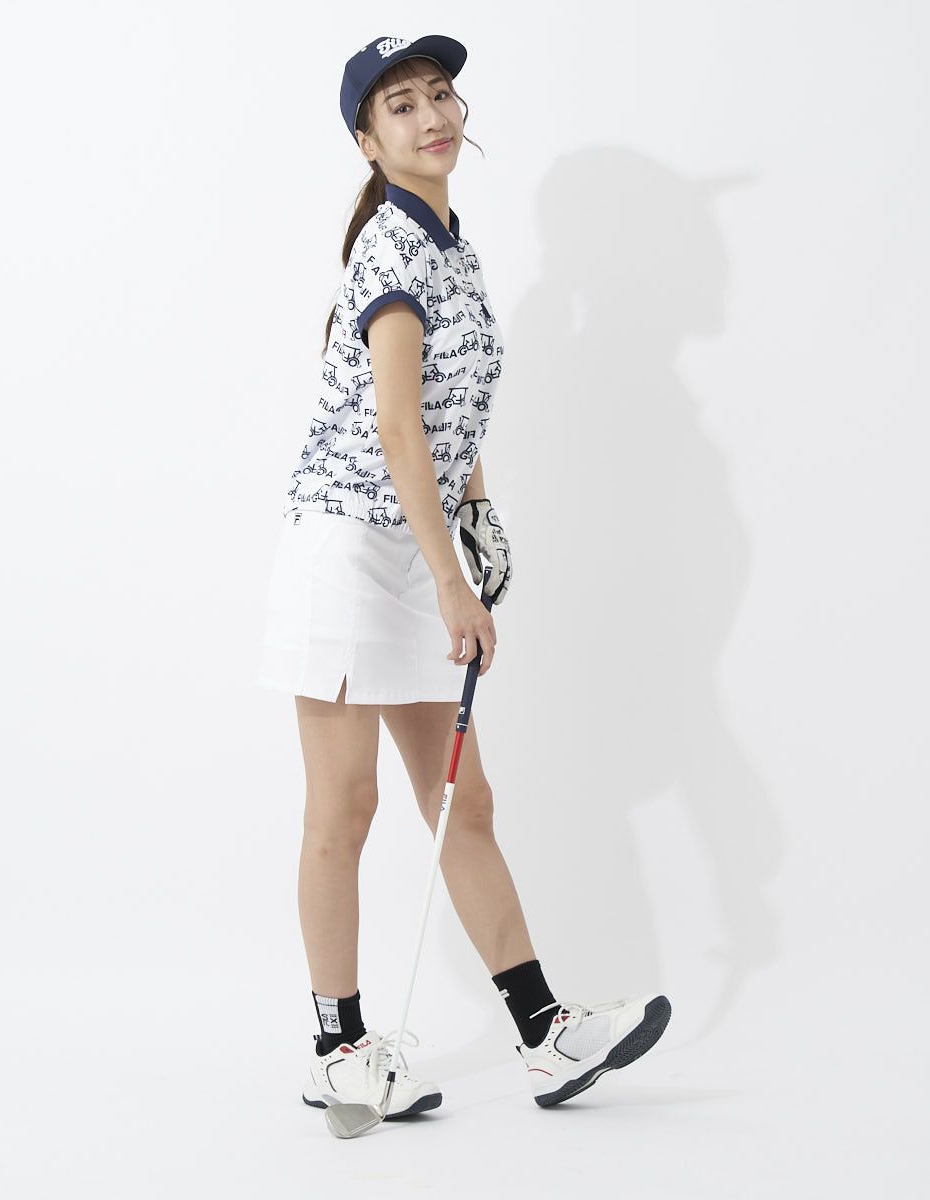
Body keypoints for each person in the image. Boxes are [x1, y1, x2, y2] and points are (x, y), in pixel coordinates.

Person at [257, 33, 671, 1117]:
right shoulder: (390, 252)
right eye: (400, 104)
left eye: (440, 93)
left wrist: (475, 514)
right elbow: (398, 428)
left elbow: (454, 414)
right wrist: (453, 579)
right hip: (347, 549)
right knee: (344, 806)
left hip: (415, 544)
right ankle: (338, 1050)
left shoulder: (454, 248)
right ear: (366, 140)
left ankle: (544, 1034)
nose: (432, 114)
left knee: (462, 798)